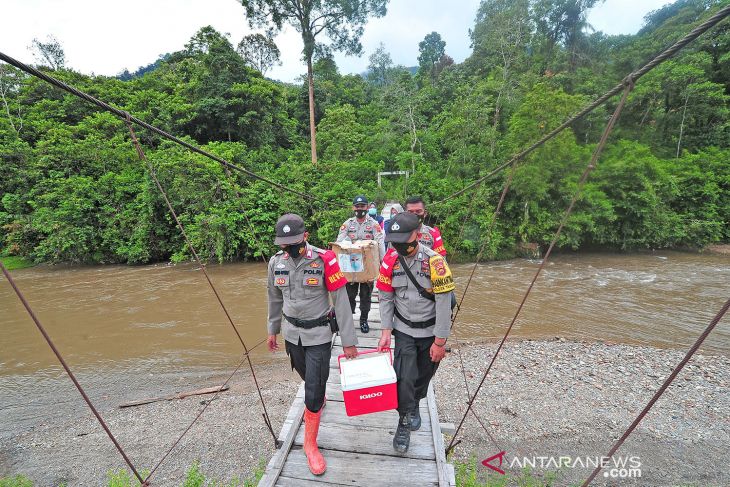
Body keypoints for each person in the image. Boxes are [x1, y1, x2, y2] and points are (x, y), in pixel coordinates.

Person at [267, 213, 358, 475]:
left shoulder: (325, 259)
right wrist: (272, 329)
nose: (289, 248)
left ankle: (310, 445)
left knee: (314, 387)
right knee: (307, 376)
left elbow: (341, 300)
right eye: (284, 244)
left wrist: (349, 342)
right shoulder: (276, 262)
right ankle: (317, 395)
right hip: (291, 333)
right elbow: (273, 297)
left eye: (294, 243)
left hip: (319, 334)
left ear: (305, 237)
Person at [375, 212, 455, 453]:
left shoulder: (435, 262)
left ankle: (415, 402)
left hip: (430, 332)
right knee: (404, 377)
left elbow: (444, 303)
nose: (399, 246)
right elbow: (385, 296)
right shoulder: (390, 260)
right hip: (404, 330)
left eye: (403, 240)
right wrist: (386, 330)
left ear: (417, 236)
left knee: (423, 375)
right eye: (394, 241)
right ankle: (404, 420)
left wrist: (440, 342)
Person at [336, 195, 386, 334]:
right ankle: (349, 319)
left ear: (367, 207)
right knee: (349, 295)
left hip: (368, 265)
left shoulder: (374, 225)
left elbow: (380, 242)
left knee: (366, 295)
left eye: (362, 206)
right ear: (353, 208)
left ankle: (364, 320)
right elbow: (339, 242)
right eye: (357, 206)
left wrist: (383, 262)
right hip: (351, 265)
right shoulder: (347, 224)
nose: (360, 209)